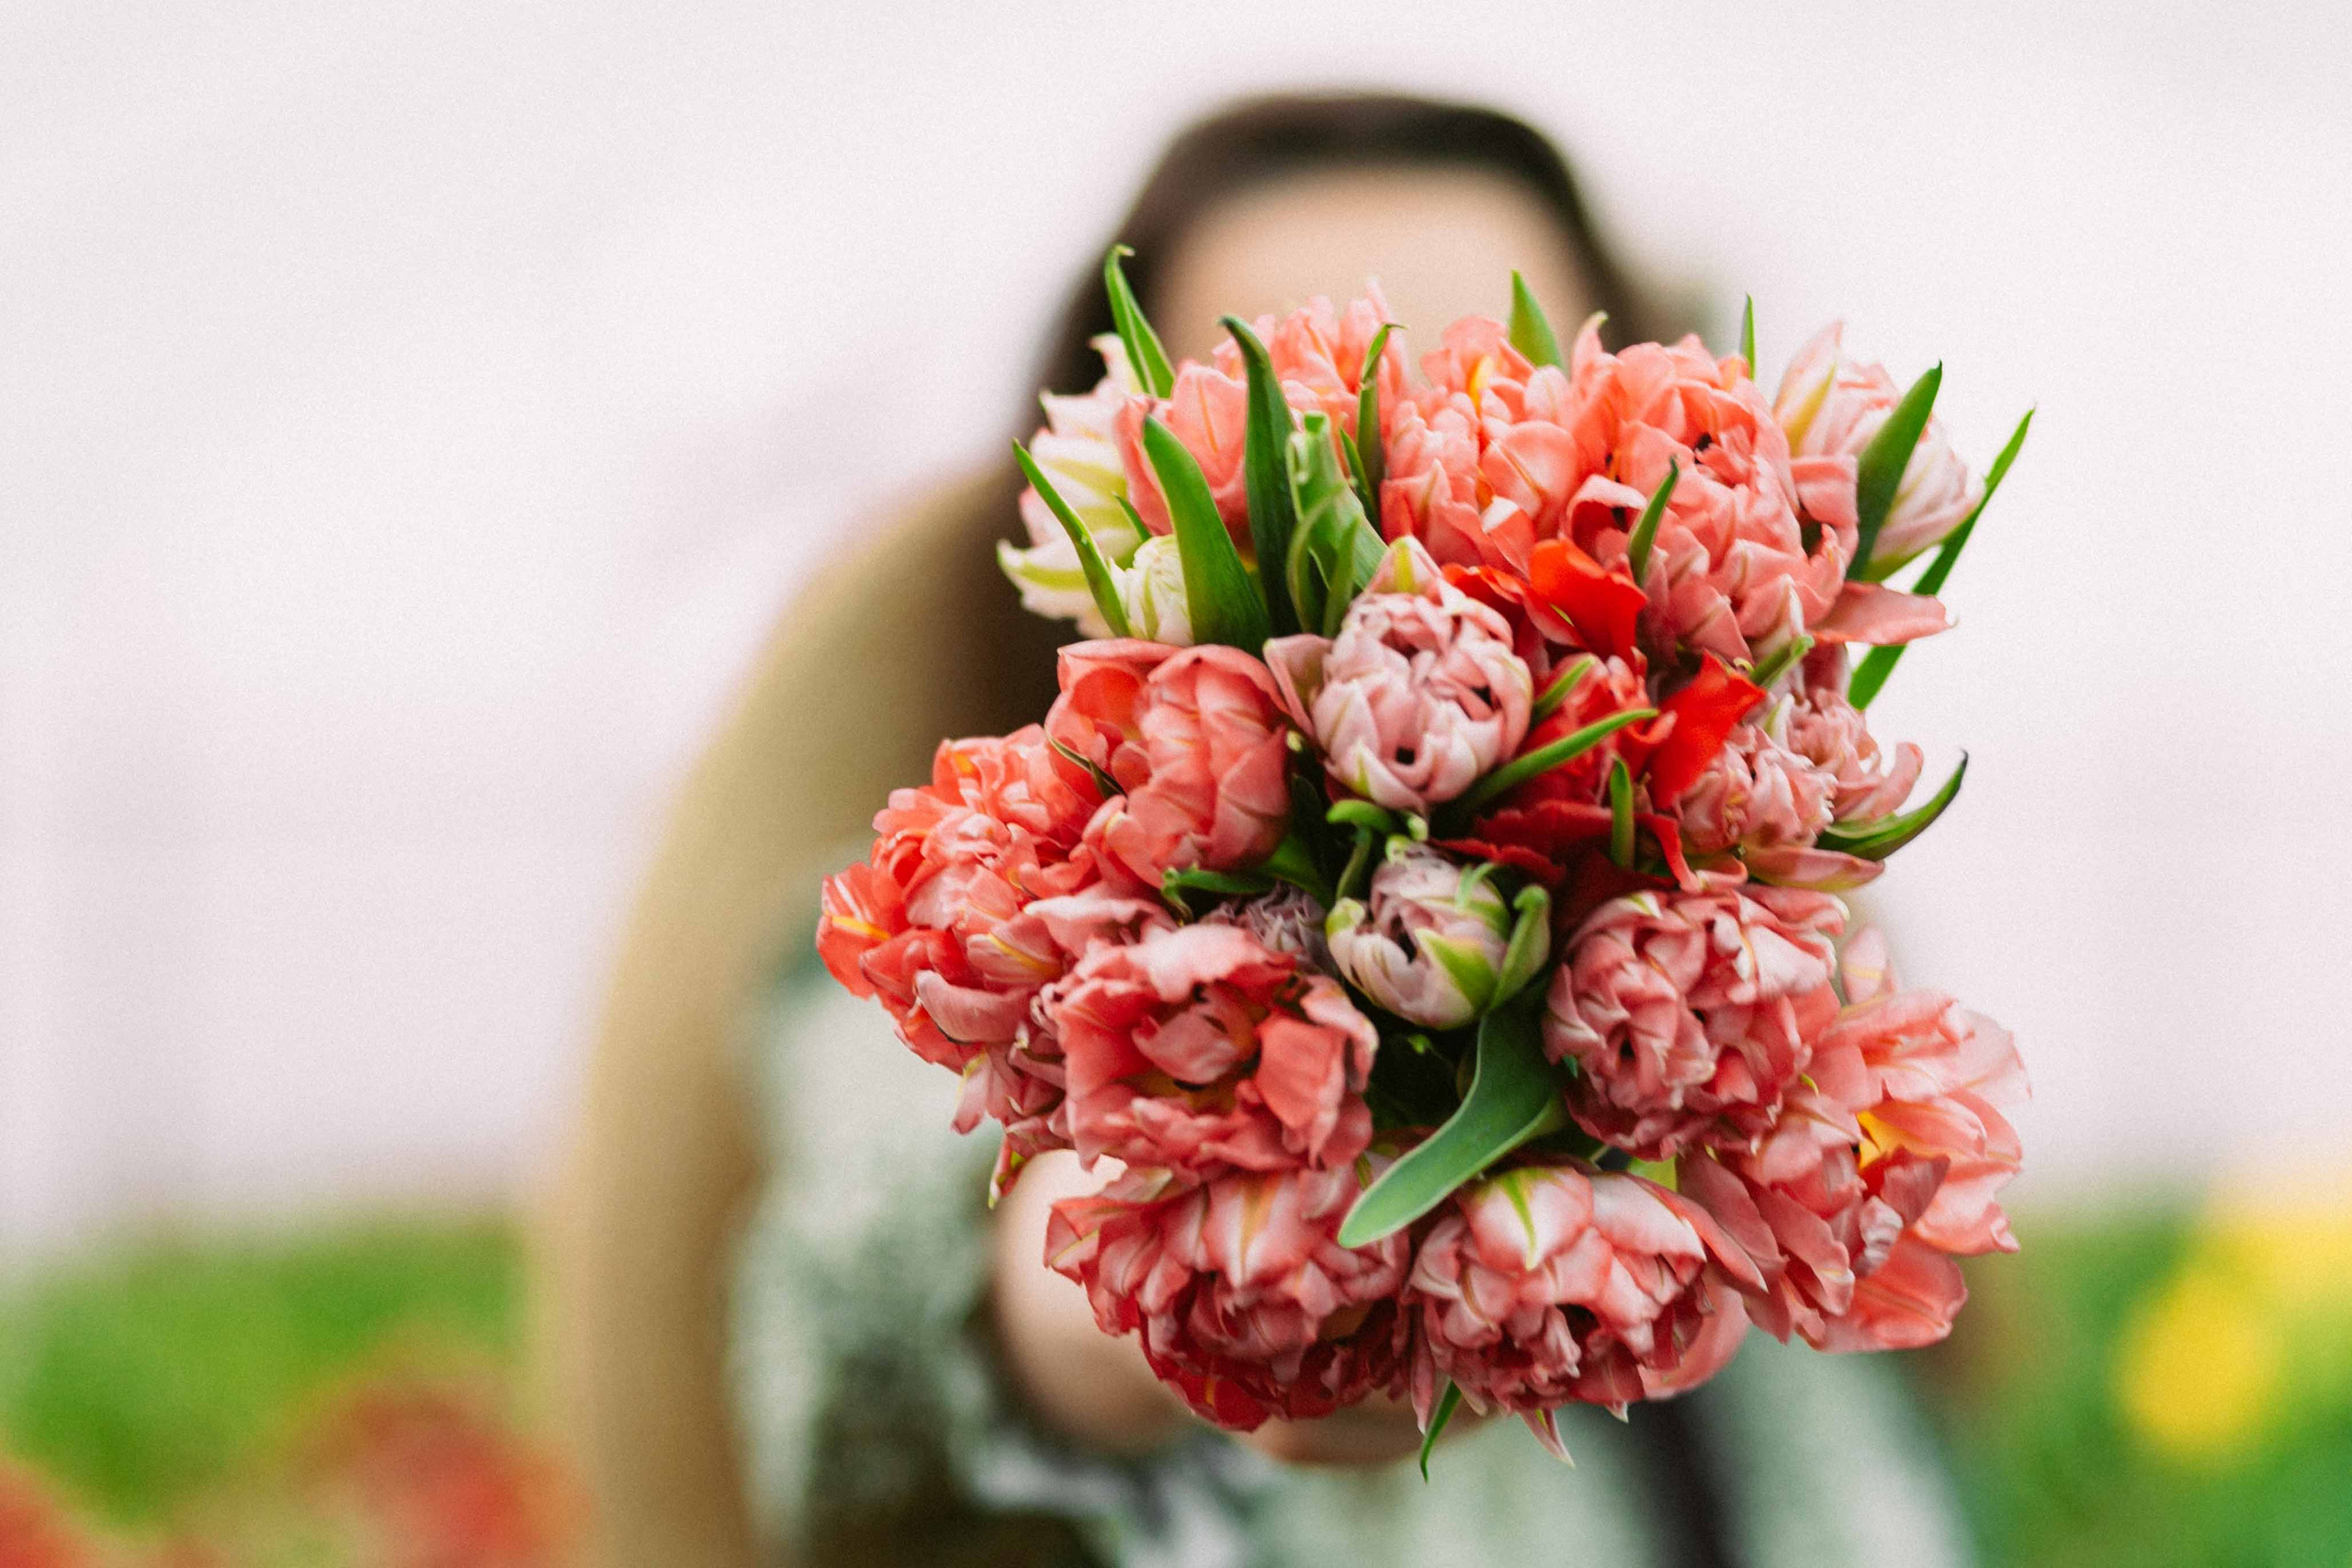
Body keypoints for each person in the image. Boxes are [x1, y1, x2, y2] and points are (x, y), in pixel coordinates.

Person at [542, 94, 1975, 1568]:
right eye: (1310, 439)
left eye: (1503, 396)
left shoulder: (1758, 971)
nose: (1413, 525)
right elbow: (867, 1288)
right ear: (1119, 520)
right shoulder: (943, 932)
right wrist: (1153, 1278)